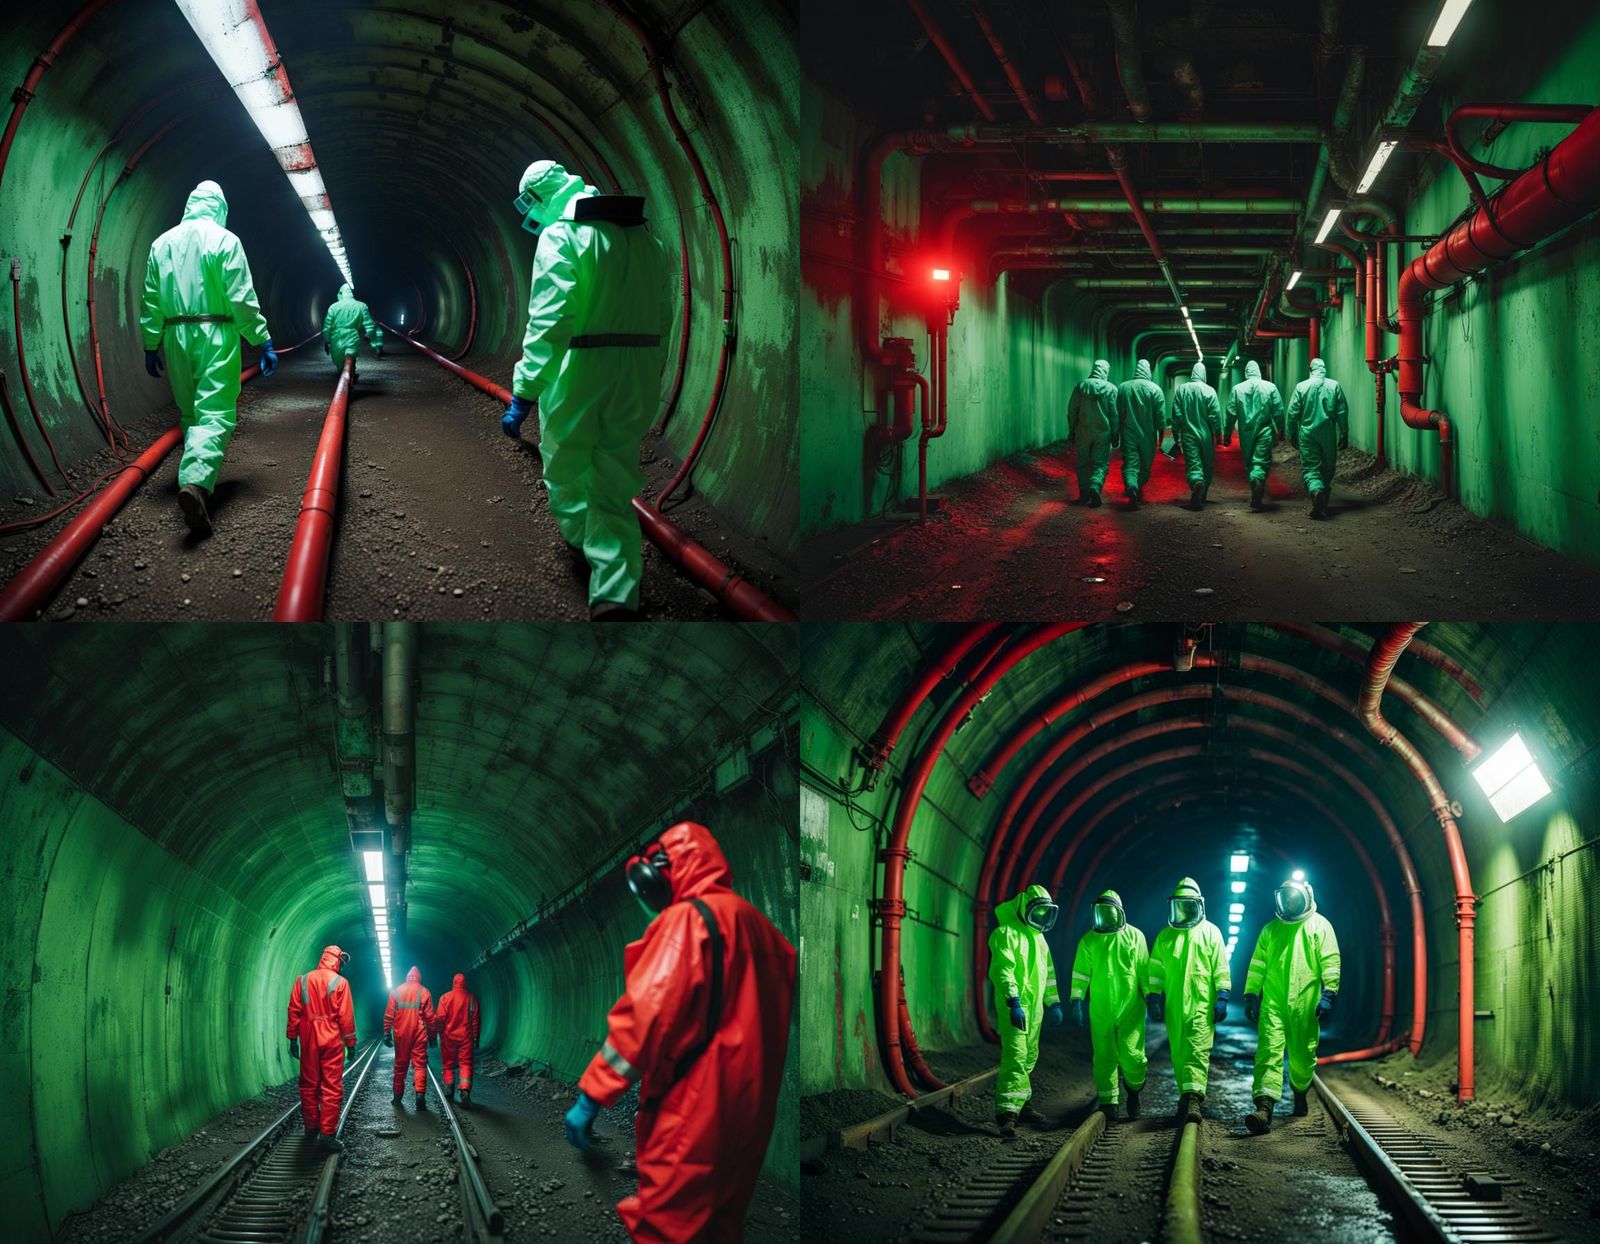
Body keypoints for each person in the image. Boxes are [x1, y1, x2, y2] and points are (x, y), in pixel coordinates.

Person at [564, 821, 795, 1243]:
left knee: (668, 1227)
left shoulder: (690, 921)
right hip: (751, 1113)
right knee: (719, 1226)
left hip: (694, 1109)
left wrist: (592, 1095)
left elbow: (645, 1017)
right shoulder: (765, 932)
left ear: (668, 871)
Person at [500, 160, 670, 621]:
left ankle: (582, 545)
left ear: (542, 195)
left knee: (566, 466)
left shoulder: (562, 235)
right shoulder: (645, 238)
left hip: (581, 369)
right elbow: (665, 312)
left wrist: (525, 391)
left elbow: (551, 320)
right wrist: (652, 369)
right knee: (615, 472)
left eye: (530, 202)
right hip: (636, 369)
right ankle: (616, 588)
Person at [139, 179, 276, 538]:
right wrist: (260, 339)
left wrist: (151, 343)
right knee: (215, 410)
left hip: (175, 335)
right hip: (215, 333)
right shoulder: (225, 241)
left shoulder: (160, 243)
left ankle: (193, 470)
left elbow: (151, 299)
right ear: (220, 208)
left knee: (189, 411)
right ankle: (197, 483)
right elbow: (241, 298)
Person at [1242, 876, 1341, 1133]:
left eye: (1294, 897)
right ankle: (1264, 1107)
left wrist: (1329, 994)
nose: (1290, 902)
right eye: (1286, 897)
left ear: (1305, 897)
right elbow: (1257, 966)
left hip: (1306, 1005)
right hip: (1273, 1002)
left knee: (1302, 1056)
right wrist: (1251, 994)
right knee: (1268, 1052)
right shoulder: (1270, 930)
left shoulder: (1320, 926)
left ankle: (1299, 1095)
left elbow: (1330, 961)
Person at [1146, 878, 1230, 1125]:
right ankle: (1186, 1095)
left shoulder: (1211, 932)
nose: (1184, 909)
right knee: (1179, 1053)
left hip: (1202, 1005)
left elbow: (1221, 968)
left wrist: (1222, 995)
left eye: (1188, 905)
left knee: (1197, 1050)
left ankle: (1194, 1099)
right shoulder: (1165, 937)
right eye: (1180, 905)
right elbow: (1156, 972)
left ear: (1199, 905)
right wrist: (1153, 996)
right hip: (1174, 1006)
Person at [988, 882, 1064, 1137]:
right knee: (1016, 1055)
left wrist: (1053, 1002)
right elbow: (1002, 970)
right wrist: (1013, 1002)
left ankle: (1023, 1105)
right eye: (1037, 911)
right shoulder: (1005, 934)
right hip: (1016, 1008)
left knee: (1029, 1056)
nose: (1041, 917)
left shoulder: (1040, 939)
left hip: (1035, 1010)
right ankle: (1007, 1114)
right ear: (1024, 908)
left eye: (1045, 912)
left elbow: (1049, 974)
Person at [1068, 889, 1148, 1121]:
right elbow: (1081, 974)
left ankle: (1134, 1091)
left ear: (1119, 912)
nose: (1105, 916)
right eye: (1101, 912)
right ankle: (1108, 1103)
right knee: (1103, 1056)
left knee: (1133, 1056)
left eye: (1109, 911)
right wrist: (1076, 1000)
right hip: (1101, 1009)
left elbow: (1144, 970)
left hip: (1131, 1007)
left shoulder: (1135, 937)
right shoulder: (1089, 940)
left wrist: (1151, 996)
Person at [285, 945, 355, 1151]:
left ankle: (311, 1127)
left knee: (308, 1084)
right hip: (331, 1038)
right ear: (337, 961)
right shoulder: (341, 983)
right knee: (331, 1087)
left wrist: (292, 1038)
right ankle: (326, 1133)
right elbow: (346, 1017)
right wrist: (350, 1044)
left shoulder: (303, 980)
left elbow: (294, 1011)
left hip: (308, 1037)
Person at [1285, 357, 1350, 519]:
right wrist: (1344, 432)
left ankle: (1316, 490)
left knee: (1311, 468)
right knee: (1328, 467)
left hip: (1307, 432)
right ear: (1324, 369)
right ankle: (1323, 500)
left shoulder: (1301, 387)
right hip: (1328, 432)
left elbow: (1292, 412)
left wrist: (1290, 432)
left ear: (1310, 369)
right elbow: (1342, 411)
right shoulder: (1334, 385)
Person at [1225, 360, 1287, 511]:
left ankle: (1255, 490)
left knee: (1249, 462)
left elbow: (1230, 413)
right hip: (1265, 431)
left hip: (1245, 433)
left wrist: (1226, 434)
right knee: (1260, 462)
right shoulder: (1270, 387)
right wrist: (1281, 429)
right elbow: (1279, 411)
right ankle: (1258, 481)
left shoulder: (1237, 389)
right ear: (1258, 371)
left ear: (1246, 373)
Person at [1067, 360, 1120, 507]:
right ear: (1106, 371)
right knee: (1100, 463)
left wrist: (1071, 430)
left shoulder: (1080, 386)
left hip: (1082, 431)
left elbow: (1072, 411)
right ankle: (1095, 486)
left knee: (1083, 463)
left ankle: (1083, 494)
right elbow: (1114, 415)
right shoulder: (1111, 389)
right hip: (1103, 432)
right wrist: (1115, 434)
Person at [1169, 362, 1222, 509]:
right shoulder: (1209, 390)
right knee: (1207, 465)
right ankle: (1202, 493)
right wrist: (1218, 433)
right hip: (1206, 434)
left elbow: (1177, 414)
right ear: (1203, 374)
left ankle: (1196, 482)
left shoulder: (1182, 390)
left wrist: (1175, 434)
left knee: (1193, 464)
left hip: (1188, 434)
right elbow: (1215, 415)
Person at [1115, 359, 1167, 508]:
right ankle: (1138, 486)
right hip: (1148, 435)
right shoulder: (1155, 389)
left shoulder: (1123, 387)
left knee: (1130, 463)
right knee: (1145, 465)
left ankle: (1131, 485)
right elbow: (1160, 416)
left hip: (1128, 432)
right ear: (1149, 371)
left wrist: (1116, 432)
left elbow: (1117, 412)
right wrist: (1161, 436)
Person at [383, 965, 436, 1110]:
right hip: (418, 1033)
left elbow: (389, 1015)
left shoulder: (396, 991)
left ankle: (397, 1097)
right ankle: (420, 1096)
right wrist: (432, 1036)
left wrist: (387, 1033)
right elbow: (430, 1017)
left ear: (407, 977)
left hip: (401, 1033)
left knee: (400, 1065)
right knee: (420, 1065)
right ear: (419, 978)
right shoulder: (424, 991)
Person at [433, 972, 481, 1107]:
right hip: (466, 1037)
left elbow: (441, 1018)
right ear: (465, 983)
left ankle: (449, 1087)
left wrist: (440, 1033)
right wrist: (476, 1037)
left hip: (448, 1037)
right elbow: (475, 1020)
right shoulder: (471, 998)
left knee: (448, 1064)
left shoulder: (445, 998)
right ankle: (464, 1090)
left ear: (453, 983)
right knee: (466, 1064)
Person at [321, 282, 381, 379]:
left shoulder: (333, 307)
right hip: (353, 336)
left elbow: (327, 326)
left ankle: (344, 382)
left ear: (340, 293)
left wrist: (327, 340)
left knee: (339, 363)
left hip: (336, 338)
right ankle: (350, 377)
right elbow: (369, 324)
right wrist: (373, 340)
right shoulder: (361, 306)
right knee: (351, 358)